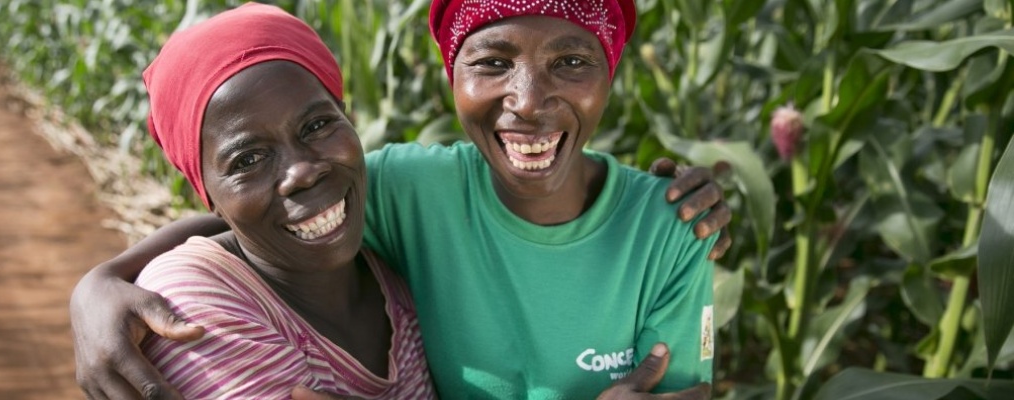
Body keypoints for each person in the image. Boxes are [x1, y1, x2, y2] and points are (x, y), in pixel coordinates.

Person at [71, 0, 732, 398]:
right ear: (452, 75)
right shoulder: (416, 193)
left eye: (572, 61)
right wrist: (99, 282)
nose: (528, 101)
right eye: (493, 63)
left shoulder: (669, 231)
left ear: (610, 72)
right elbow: (261, 221)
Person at [114, 3, 435, 399]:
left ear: (346, 114)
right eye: (247, 159)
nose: (301, 172)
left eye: (317, 125)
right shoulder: (190, 301)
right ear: (207, 193)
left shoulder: (396, 270)